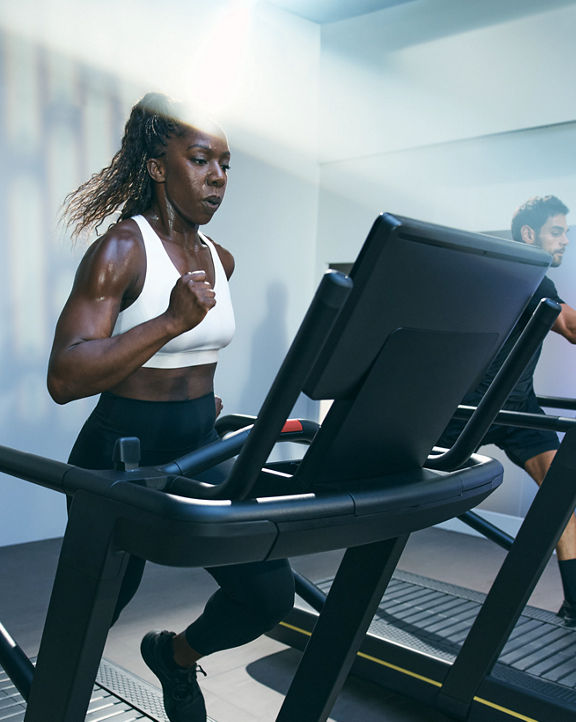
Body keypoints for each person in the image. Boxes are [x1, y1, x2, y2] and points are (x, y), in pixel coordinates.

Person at [47, 92, 295, 722]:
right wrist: (167, 322)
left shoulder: (221, 259)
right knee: (94, 614)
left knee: (268, 593)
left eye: (227, 164)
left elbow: (197, 347)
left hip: (197, 446)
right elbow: (67, 374)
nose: (218, 178)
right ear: (159, 167)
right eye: (202, 160)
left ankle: (177, 659)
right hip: (119, 456)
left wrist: (197, 395)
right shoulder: (121, 250)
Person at [437, 195, 576, 624]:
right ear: (530, 234)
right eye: (558, 231)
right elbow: (572, 327)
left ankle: (575, 604)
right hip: (462, 413)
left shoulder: (537, 280)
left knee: (562, 496)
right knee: (406, 498)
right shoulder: (520, 276)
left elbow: (567, 327)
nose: (565, 241)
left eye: (568, 233)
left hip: (516, 409)